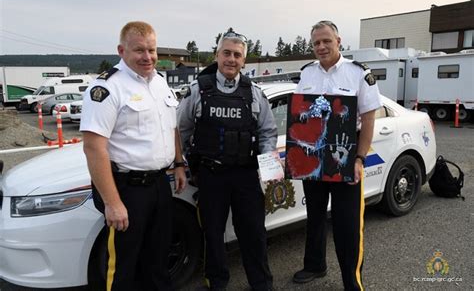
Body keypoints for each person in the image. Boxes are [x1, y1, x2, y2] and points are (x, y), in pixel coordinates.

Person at [80, 21, 187, 291]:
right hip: (127, 189)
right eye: (139, 50)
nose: (147, 57)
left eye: (152, 50)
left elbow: (170, 127)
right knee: (123, 266)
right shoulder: (107, 89)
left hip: (160, 185)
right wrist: (112, 203)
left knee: (158, 259)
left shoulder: (160, 83)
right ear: (121, 50)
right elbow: (93, 147)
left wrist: (178, 163)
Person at [177, 30, 277, 291]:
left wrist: (268, 169)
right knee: (212, 233)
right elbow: (181, 129)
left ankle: (262, 284)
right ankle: (217, 282)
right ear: (217, 55)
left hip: (246, 175)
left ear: (244, 60)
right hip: (211, 175)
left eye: (237, 55)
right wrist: (189, 162)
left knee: (254, 233)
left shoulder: (254, 93)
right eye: (227, 53)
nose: (231, 59)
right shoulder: (198, 90)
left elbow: (267, 132)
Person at [292, 20, 382, 290]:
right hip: (314, 153)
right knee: (315, 215)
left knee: (348, 224)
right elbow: (300, 113)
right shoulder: (307, 73)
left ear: (338, 41)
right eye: (316, 42)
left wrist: (360, 158)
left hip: (345, 153)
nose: (321, 46)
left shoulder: (358, 73)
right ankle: (315, 265)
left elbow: (368, 119)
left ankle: (352, 281)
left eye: (326, 41)